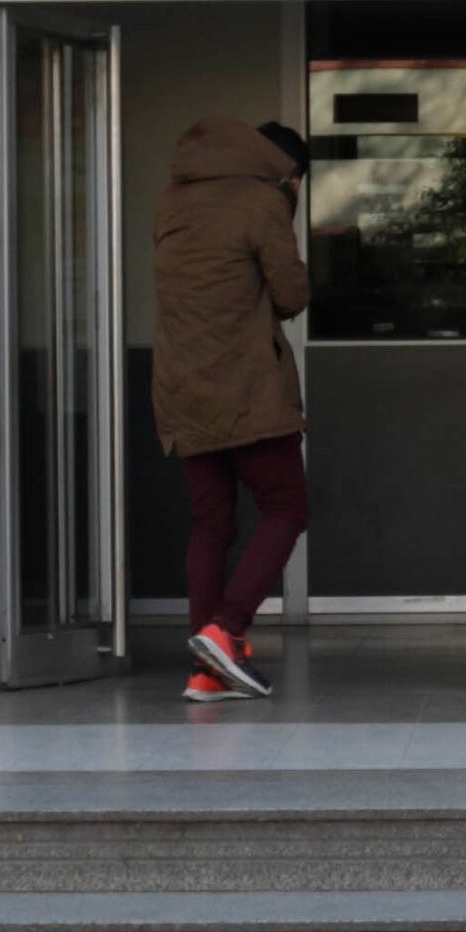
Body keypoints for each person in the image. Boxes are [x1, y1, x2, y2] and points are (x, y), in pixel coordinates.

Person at [154, 117, 312, 703]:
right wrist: (285, 208)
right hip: (246, 386)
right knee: (286, 506)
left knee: (211, 523)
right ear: (288, 172)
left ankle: (206, 668)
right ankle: (228, 629)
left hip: (180, 386)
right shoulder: (263, 200)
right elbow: (291, 296)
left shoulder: (173, 198)